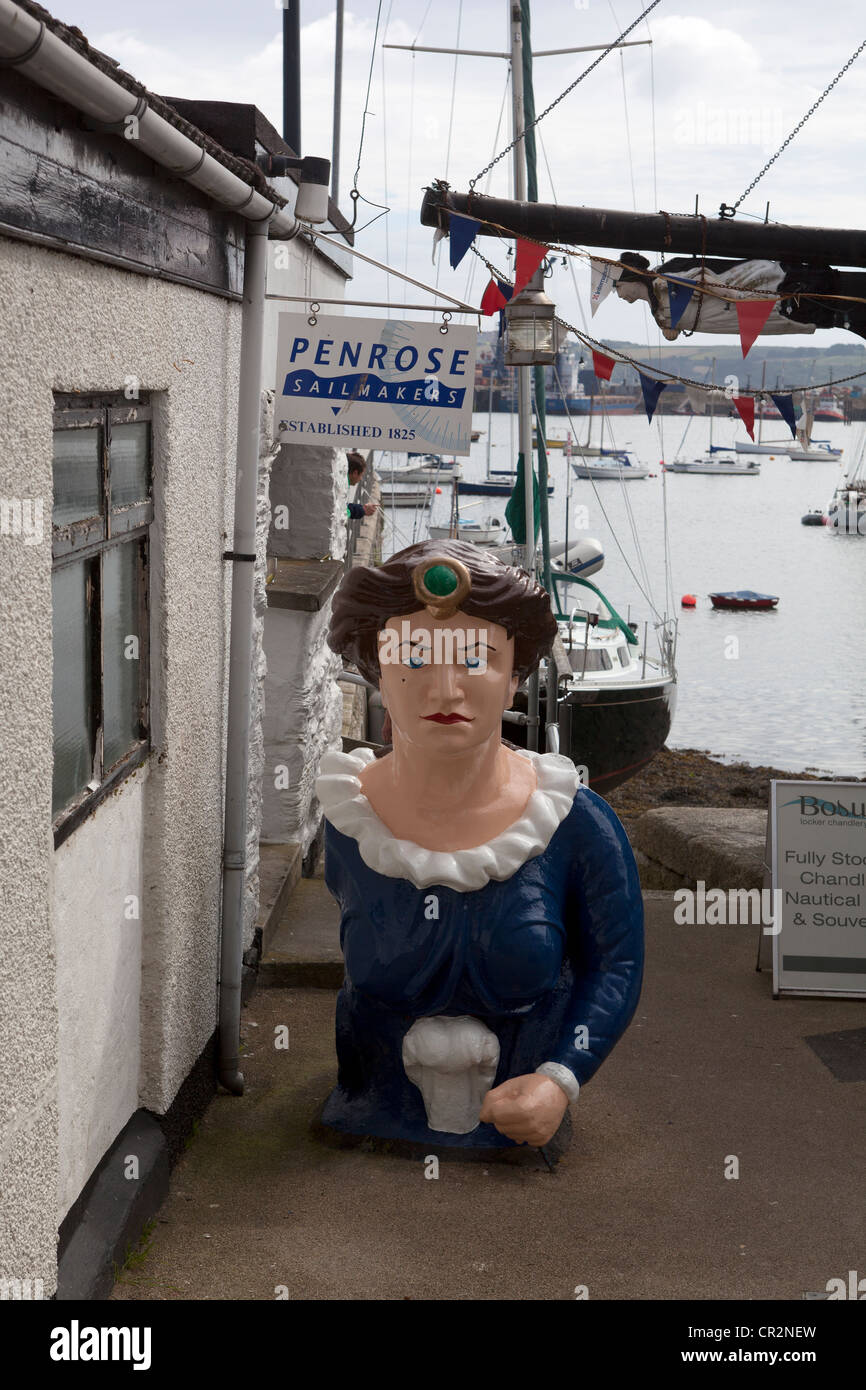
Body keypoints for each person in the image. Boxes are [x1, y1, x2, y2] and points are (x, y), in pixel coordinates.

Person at [315, 540, 644, 1152]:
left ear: (516, 674)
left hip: (519, 1120)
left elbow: (615, 966)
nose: (444, 690)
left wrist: (560, 1079)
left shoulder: (571, 823)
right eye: (412, 657)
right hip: (370, 1118)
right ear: (375, 670)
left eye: (475, 659)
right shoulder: (349, 818)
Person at [346, 450, 376, 520]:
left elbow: (344, 508)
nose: (361, 479)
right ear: (355, 473)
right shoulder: (340, 487)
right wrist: (362, 510)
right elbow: (343, 513)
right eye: (361, 475)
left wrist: (362, 508)